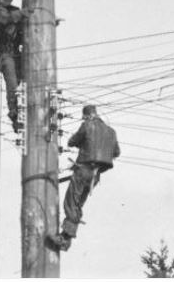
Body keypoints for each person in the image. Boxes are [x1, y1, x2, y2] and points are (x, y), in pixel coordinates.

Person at [48, 104, 120, 252]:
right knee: (78, 204)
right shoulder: (111, 132)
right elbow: (117, 152)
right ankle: (66, 240)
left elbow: (72, 142)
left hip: (83, 170)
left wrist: (83, 144)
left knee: (71, 203)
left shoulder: (87, 125)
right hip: (96, 175)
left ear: (87, 115)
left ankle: (65, 237)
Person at [0, 0, 27, 131]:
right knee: (12, 85)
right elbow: (6, 20)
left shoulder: (15, 10)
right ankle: (15, 113)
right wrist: (23, 13)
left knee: (25, 82)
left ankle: (24, 110)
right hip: (5, 53)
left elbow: (23, 26)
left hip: (16, 53)